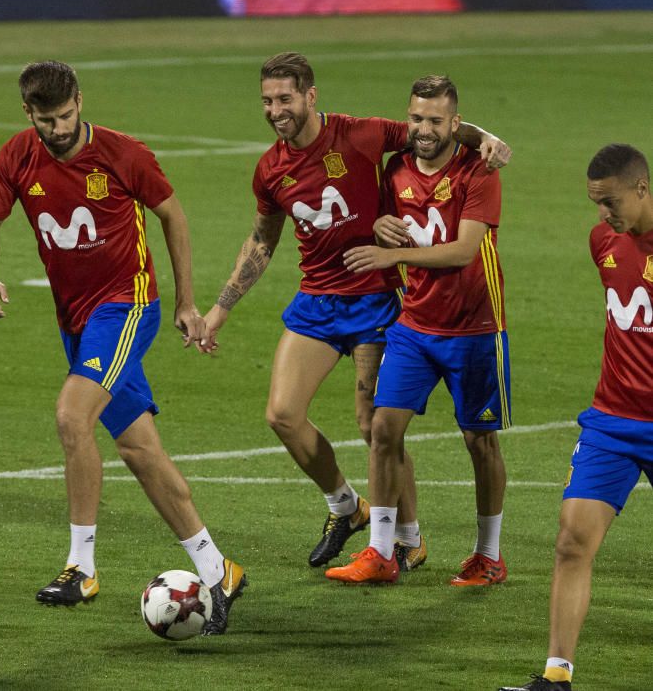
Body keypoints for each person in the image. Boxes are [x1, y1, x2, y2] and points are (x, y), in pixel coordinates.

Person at [203, 54, 510, 572]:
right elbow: (262, 239)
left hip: (375, 300)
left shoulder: (362, 135)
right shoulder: (270, 168)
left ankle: (407, 540)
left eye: (285, 98)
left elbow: (430, 131)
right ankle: (346, 507)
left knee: (376, 427)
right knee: (281, 414)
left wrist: (484, 139)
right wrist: (220, 308)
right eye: (267, 100)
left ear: (310, 96)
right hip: (317, 301)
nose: (276, 110)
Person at [0, 60, 246, 634]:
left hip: (127, 307)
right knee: (140, 450)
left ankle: (82, 567)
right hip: (77, 321)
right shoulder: (18, 155)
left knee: (73, 416)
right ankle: (219, 570)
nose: (59, 128)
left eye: (67, 115)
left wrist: (187, 303)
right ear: (30, 113)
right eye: (47, 120)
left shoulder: (124, 154)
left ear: (79, 102)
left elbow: (172, 215)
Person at [328, 75, 509, 586]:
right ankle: (383, 550)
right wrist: (383, 226)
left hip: (476, 327)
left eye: (435, 120)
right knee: (384, 429)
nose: (424, 129)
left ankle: (488, 556)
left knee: (480, 441)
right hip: (415, 324)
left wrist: (392, 253)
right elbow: (389, 219)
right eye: (416, 118)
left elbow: (463, 251)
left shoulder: (479, 171)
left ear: (456, 122)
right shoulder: (397, 168)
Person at [499, 144, 653, 691]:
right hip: (612, 422)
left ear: (641, 188)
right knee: (571, 543)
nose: (603, 214)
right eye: (595, 203)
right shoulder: (603, 242)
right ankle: (556, 678)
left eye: (610, 202)